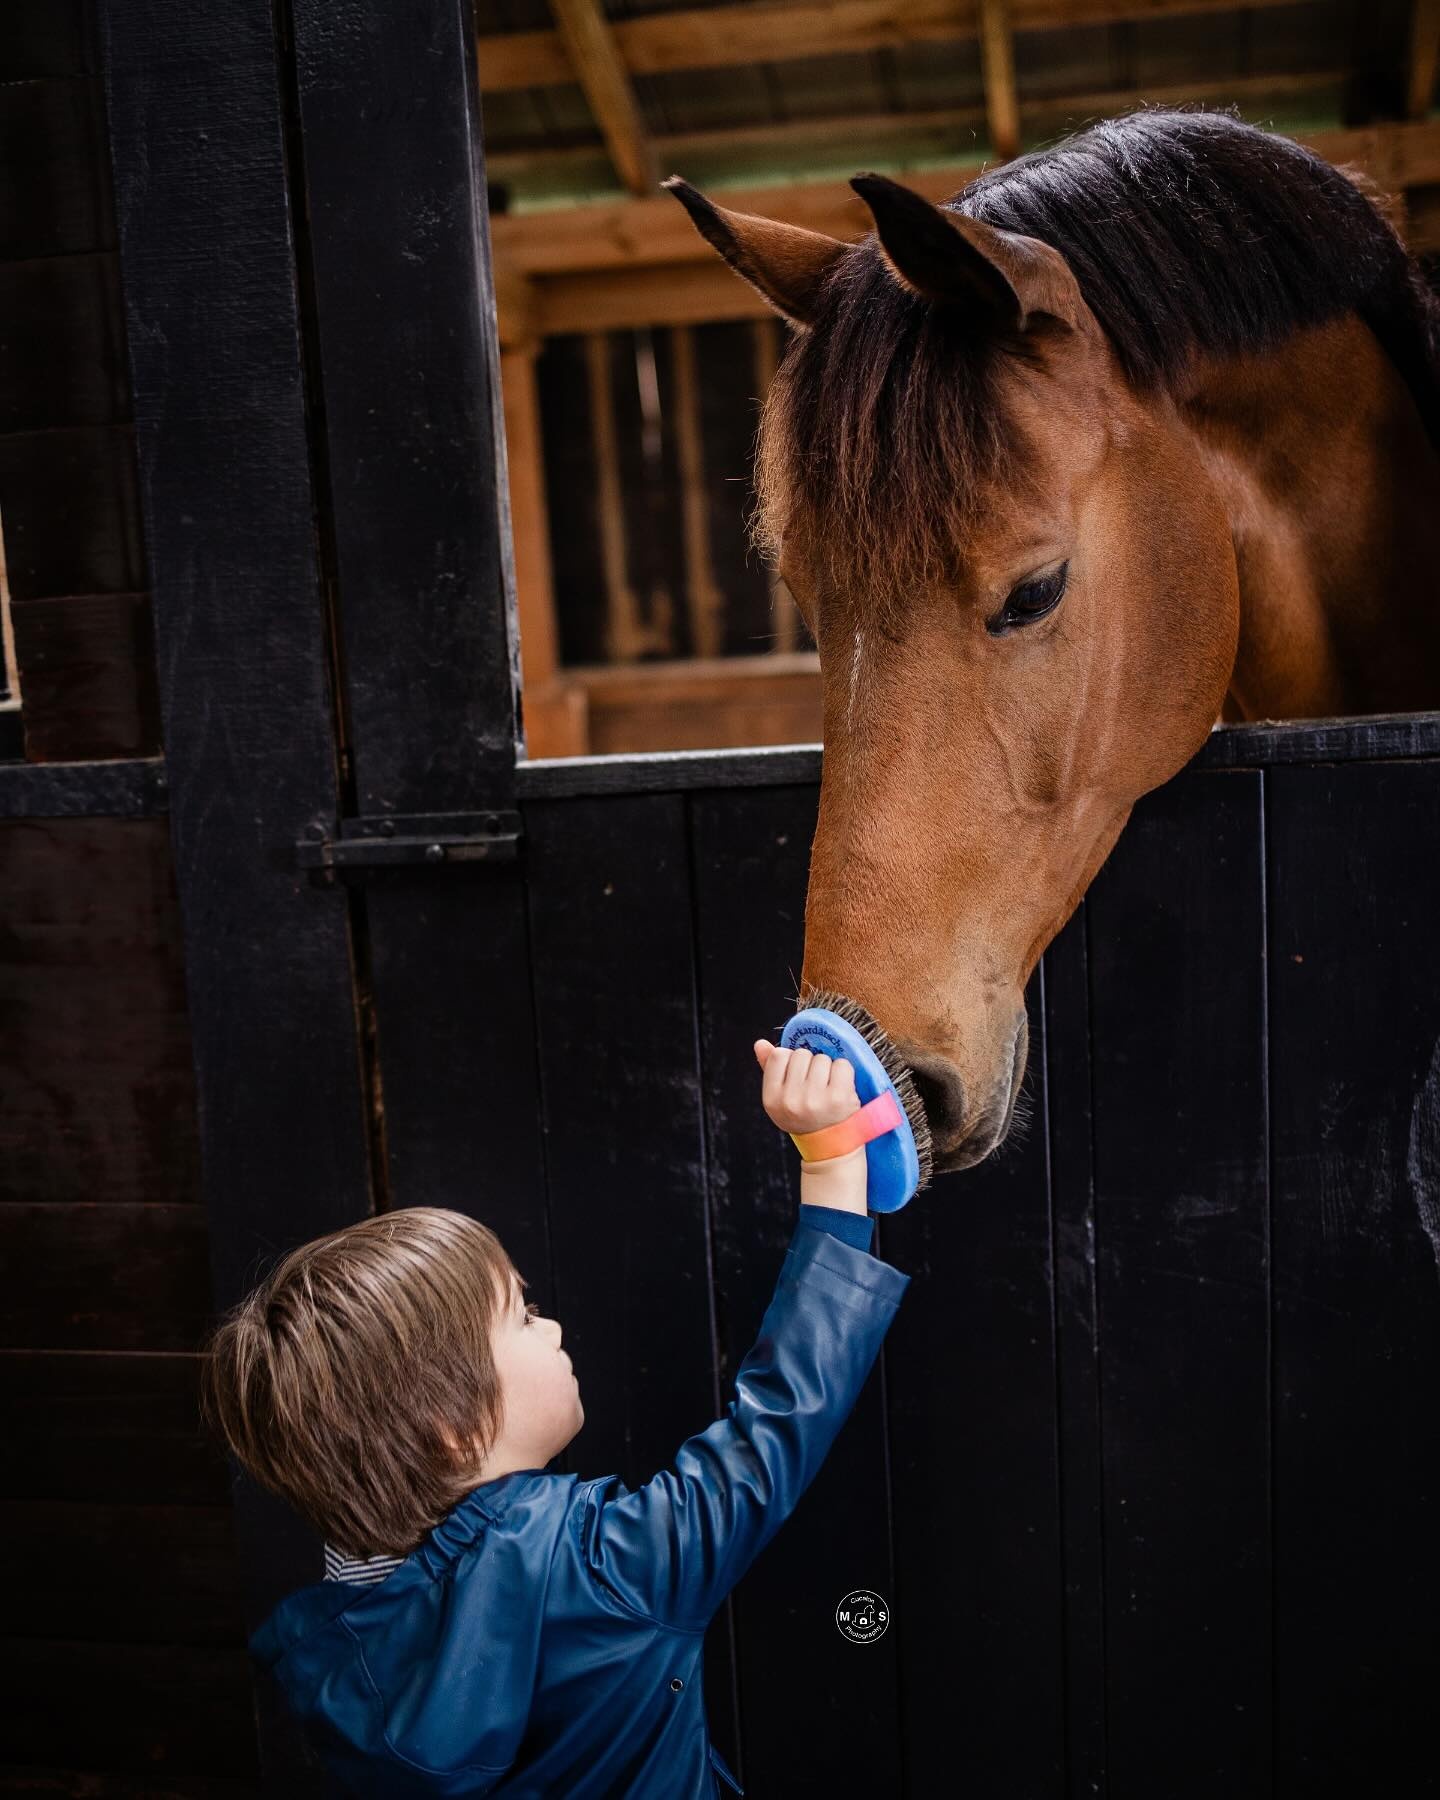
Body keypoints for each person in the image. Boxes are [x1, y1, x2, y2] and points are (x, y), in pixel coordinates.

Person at [204, 1040, 911, 1797]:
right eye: (523, 1315)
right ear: (454, 1427)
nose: (553, 1330)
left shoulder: (332, 1658)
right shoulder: (606, 1568)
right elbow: (774, 1429)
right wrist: (833, 1162)